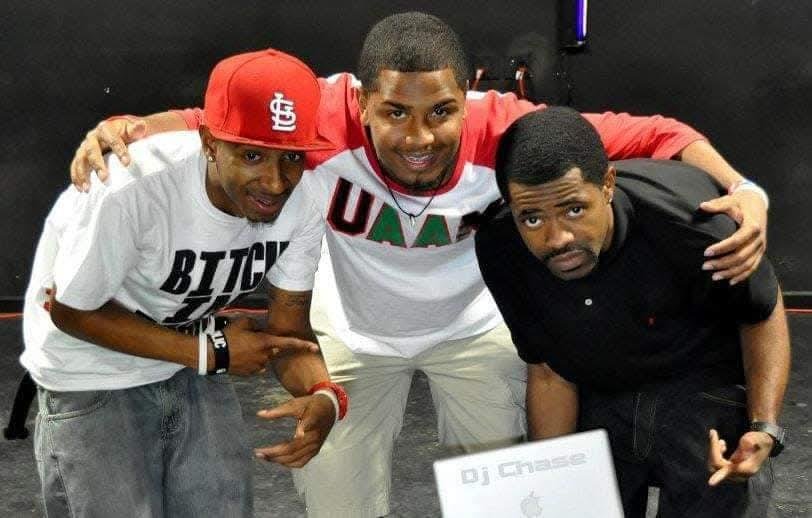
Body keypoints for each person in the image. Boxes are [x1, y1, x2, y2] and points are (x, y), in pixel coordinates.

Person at [65, 12, 771, 517]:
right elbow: (208, 123)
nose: (419, 137)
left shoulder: (503, 130)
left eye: (440, 112)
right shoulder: (320, 122)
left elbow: (664, 134)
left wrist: (744, 189)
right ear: (360, 103)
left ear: (467, 100)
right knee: (336, 502)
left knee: (509, 502)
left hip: (474, 329)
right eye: (395, 113)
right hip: (354, 331)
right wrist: (124, 130)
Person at [21, 49, 348, 517]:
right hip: (91, 370)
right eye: (252, 155)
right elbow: (70, 311)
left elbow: (288, 332)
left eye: (292, 157)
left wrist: (323, 396)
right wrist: (209, 354)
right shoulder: (132, 185)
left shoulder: (303, 202)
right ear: (210, 142)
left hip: (191, 357)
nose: (276, 183)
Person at [475, 106, 790, 517]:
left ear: (607, 184)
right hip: (602, 388)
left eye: (574, 209)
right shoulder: (502, 247)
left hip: (701, 387)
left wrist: (763, 427)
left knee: (722, 482)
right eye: (532, 218)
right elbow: (549, 371)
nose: (557, 238)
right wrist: (551, 477)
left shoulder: (694, 224)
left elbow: (761, 311)